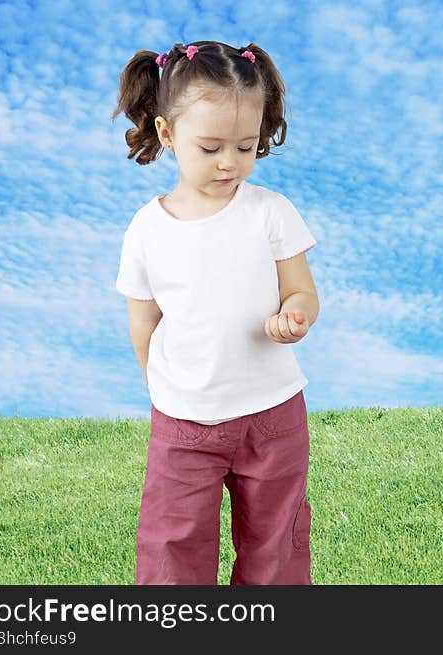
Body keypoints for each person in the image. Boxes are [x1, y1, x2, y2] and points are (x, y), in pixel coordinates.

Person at [111, 40, 319, 585]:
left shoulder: (270, 213)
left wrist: (295, 316)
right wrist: (161, 390)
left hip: (273, 416)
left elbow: (302, 292)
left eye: (245, 147)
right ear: (167, 135)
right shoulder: (147, 229)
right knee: (171, 549)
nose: (230, 162)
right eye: (210, 148)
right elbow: (143, 322)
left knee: (276, 546)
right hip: (183, 422)